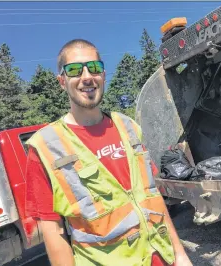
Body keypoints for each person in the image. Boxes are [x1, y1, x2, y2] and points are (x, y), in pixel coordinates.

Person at [25, 39, 193, 266]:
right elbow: (52, 229)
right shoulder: (45, 146)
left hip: (162, 258)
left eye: (94, 68)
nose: (86, 76)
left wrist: (180, 254)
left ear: (103, 76)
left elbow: (153, 197)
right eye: (74, 70)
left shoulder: (128, 126)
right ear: (62, 81)